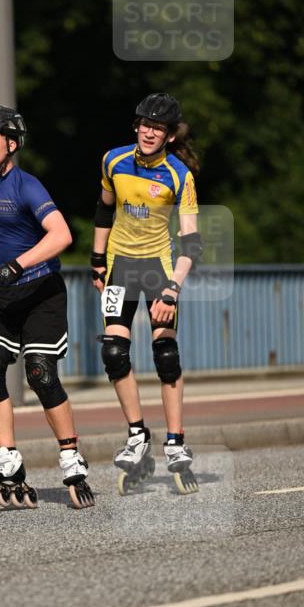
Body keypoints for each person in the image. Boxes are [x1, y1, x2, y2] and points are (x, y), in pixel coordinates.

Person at [0, 105, 94, 510]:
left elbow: (62, 235)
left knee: (40, 373)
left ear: (11, 144)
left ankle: (70, 456)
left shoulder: (27, 186)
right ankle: (9, 458)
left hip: (40, 292)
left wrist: (18, 264)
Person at [91, 92, 202, 494]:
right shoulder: (113, 161)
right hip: (121, 266)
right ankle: (137, 435)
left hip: (159, 271)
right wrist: (96, 259)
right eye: (144, 124)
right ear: (135, 126)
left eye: (157, 127)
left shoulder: (179, 175)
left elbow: (191, 244)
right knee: (113, 352)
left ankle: (175, 442)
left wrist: (172, 290)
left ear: (170, 135)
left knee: (165, 354)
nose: (148, 132)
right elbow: (104, 210)